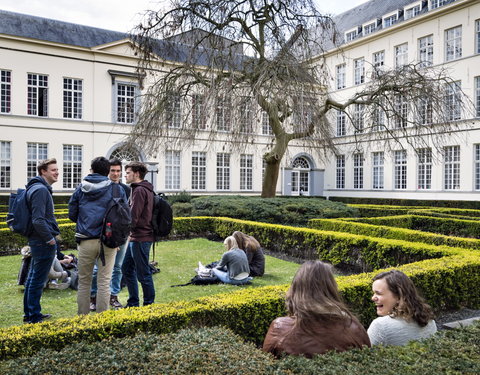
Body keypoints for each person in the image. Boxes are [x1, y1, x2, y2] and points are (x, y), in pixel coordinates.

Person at [262, 260, 370, 358]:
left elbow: (263, 366)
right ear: (331, 289)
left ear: (295, 289)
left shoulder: (280, 327)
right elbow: (368, 361)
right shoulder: (353, 327)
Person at [68, 156, 127, 315]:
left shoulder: (80, 188)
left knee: (84, 282)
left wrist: (85, 220)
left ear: (92, 170)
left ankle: (82, 320)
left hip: (85, 239)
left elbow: (72, 214)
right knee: (104, 282)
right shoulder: (116, 189)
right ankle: (101, 322)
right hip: (107, 240)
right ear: (108, 171)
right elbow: (124, 218)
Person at [90, 158, 131, 310]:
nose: (115, 174)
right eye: (112, 171)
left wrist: (119, 238)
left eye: (118, 171)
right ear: (107, 172)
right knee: (96, 269)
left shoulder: (125, 189)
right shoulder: (102, 188)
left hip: (120, 234)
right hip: (102, 235)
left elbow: (125, 215)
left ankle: (113, 297)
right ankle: (93, 297)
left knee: (117, 268)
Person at [23, 158, 60, 324]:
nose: (57, 172)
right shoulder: (40, 190)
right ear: (43, 171)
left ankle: (30, 313)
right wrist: (50, 239)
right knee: (37, 280)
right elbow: (38, 220)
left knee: (33, 278)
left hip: (37, 240)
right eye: (53, 170)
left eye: (57, 169)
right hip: (42, 241)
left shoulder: (37, 188)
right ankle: (33, 316)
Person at [367, 270, 437, 346]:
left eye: (378, 293)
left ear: (399, 297)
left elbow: (366, 355)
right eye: (373, 293)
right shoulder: (430, 321)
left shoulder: (380, 326)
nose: (373, 298)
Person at [122, 161, 155, 307]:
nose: (125, 175)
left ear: (136, 174)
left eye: (128, 172)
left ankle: (148, 305)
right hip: (136, 237)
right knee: (127, 268)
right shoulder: (140, 189)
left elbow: (133, 217)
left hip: (141, 237)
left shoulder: (140, 190)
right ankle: (133, 302)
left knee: (143, 274)